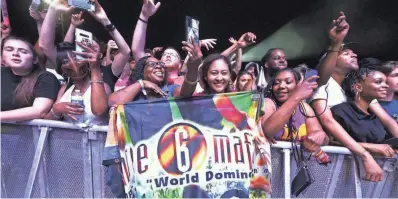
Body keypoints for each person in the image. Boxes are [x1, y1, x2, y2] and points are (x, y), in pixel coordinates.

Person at [310, 12, 398, 182]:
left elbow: (388, 122)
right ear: (331, 61)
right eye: (346, 53)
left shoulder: (353, 91)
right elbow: (330, 126)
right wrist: (365, 151)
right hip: (328, 164)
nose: (354, 55)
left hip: (355, 165)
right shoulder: (322, 86)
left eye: (354, 53)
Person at [40, 0, 130, 91]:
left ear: (100, 54)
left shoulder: (108, 71)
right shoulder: (70, 68)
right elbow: (45, 46)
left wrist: (105, 20)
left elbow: (126, 51)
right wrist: (53, 9)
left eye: (91, 46)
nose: (87, 47)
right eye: (82, 46)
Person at [108, 39, 201, 105]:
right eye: (152, 64)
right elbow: (112, 102)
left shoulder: (170, 90)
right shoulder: (134, 92)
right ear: (142, 70)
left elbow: (186, 92)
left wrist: (193, 68)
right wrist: (141, 84)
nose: (158, 66)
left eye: (161, 64)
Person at [331, 65, 396, 157]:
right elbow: (330, 142)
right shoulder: (340, 112)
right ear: (358, 87)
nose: (386, 86)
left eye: (386, 82)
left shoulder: (375, 116)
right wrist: (368, 147)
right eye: (378, 82)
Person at [261, 68, 328, 154]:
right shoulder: (268, 103)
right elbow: (267, 131)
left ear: (297, 85)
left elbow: (325, 139)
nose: (281, 86)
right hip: (273, 164)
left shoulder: (304, 107)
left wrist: (321, 135)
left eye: (288, 82)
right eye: (276, 83)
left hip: (297, 165)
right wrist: (297, 96)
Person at [44, 41, 111, 124]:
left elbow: (99, 110)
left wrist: (95, 68)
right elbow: (46, 121)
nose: (73, 64)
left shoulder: (102, 87)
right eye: (65, 61)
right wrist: (57, 110)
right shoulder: (64, 89)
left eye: (76, 58)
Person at [1, 36, 60, 122]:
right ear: (2, 56)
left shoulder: (46, 78)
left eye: (23, 51)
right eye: (9, 49)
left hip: (27, 134)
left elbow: (39, 111)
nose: (15, 53)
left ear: (35, 59)